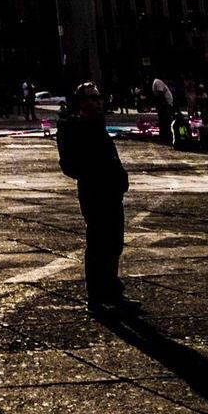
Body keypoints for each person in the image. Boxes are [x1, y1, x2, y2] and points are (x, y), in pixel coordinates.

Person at [57, 82, 133, 315]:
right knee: (99, 242)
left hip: (111, 189)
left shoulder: (97, 124)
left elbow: (110, 156)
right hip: (94, 190)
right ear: (81, 102)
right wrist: (92, 174)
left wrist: (120, 177)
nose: (98, 101)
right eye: (92, 97)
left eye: (99, 97)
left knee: (114, 242)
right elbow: (69, 164)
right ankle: (97, 295)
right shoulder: (74, 127)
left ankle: (111, 289)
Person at [150, 74, 175, 145]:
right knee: (164, 120)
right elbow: (159, 94)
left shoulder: (158, 82)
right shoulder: (157, 82)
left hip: (166, 103)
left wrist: (162, 104)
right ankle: (164, 135)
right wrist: (162, 104)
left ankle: (165, 135)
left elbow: (160, 94)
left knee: (164, 120)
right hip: (164, 104)